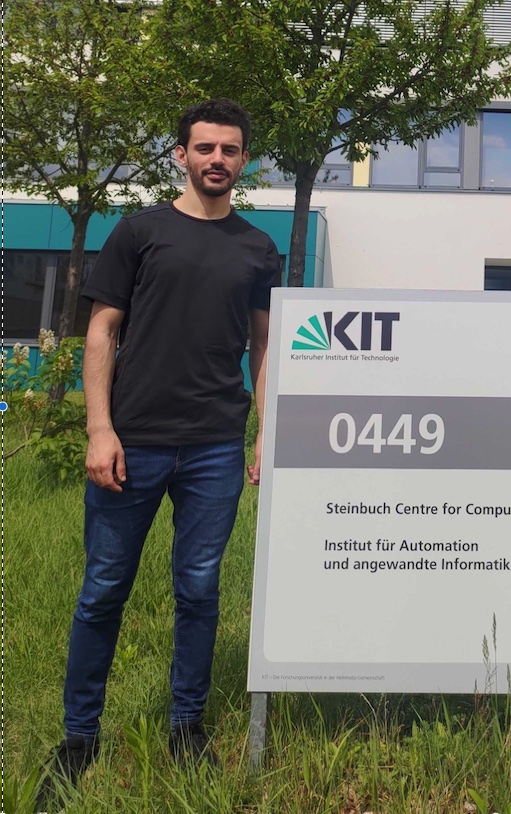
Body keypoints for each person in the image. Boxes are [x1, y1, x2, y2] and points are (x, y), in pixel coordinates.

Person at [38, 98, 281, 802]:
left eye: (230, 150)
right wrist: (99, 428)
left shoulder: (258, 249)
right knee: (103, 591)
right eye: (204, 148)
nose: (217, 160)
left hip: (213, 446)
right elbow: (100, 334)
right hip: (133, 442)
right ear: (180, 155)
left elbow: (264, 348)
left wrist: (266, 430)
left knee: (199, 590)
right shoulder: (139, 233)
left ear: (243, 160)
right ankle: (78, 739)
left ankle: (186, 728)